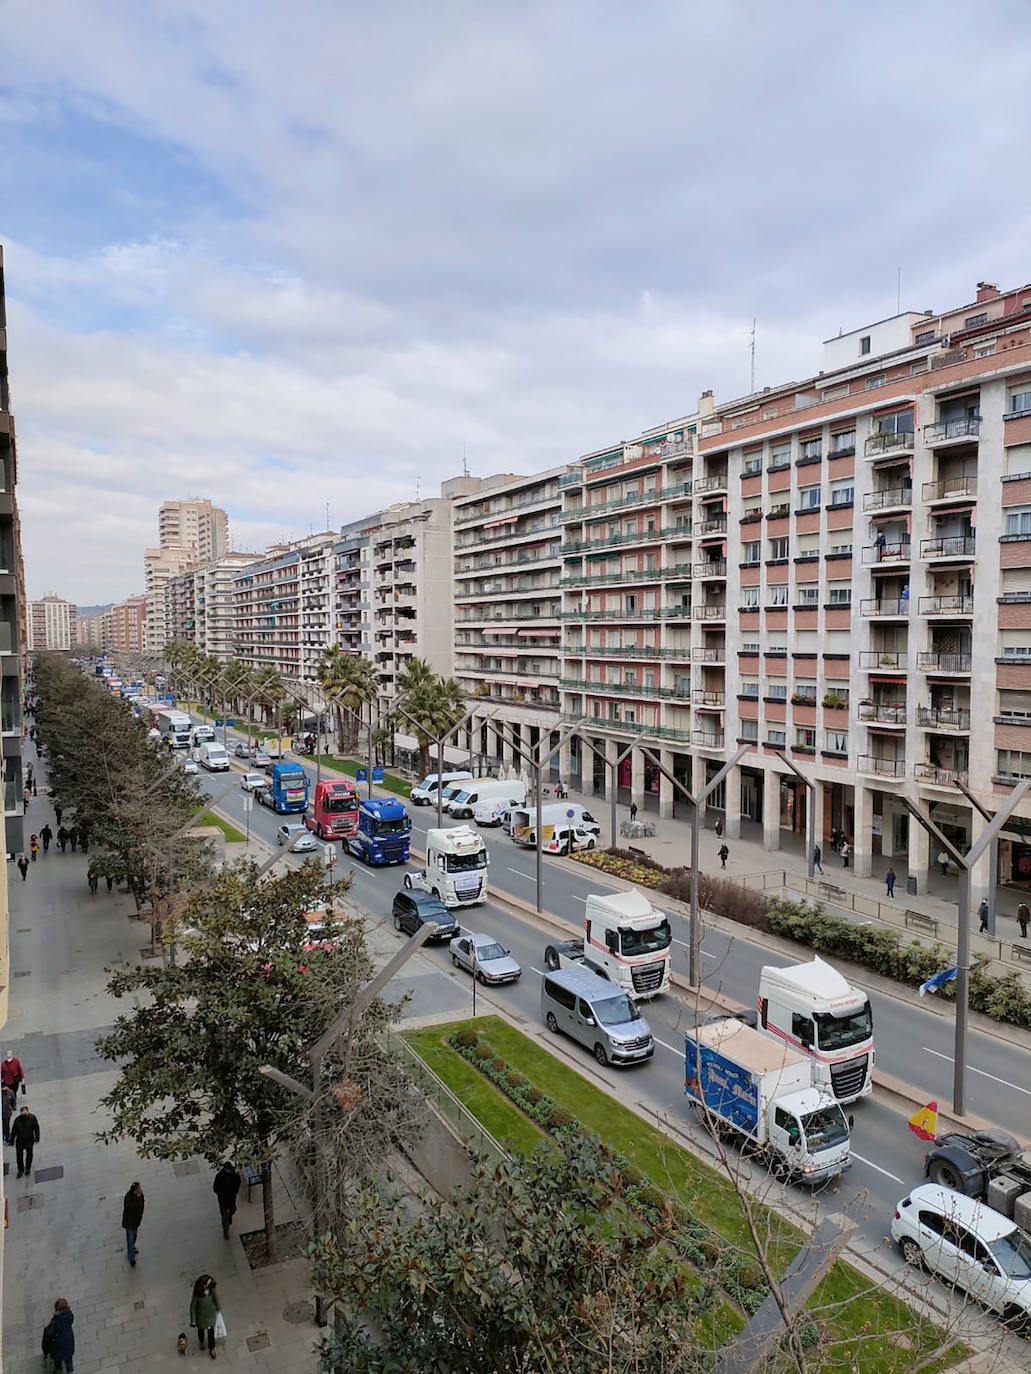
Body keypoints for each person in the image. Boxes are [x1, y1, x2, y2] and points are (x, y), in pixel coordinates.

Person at [190, 1274, 222, 1359]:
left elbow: (216, 1299)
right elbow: (192, 1307)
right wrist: (193, 1320)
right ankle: (202, 1341)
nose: (209, 1285)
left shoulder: (212, 1290)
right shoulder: (197, 1295)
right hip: (201, 1318)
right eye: (207, 1284)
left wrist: (218, 1308)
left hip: (210, 1316)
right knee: (200, 1331)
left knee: (211, 1333)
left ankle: (212, 1348)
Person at [43, 1298, 75, 1374]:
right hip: (69, 1342)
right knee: (69, 1357)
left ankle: (58, 1368)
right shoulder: (70, 1315)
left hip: (59, 1345)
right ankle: (70, 1370)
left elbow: (49, 1332)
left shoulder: (56, 1321)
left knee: (57, 1357)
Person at [213, 1162, 241, 1239]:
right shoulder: (219, 1176)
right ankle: (226, 1231)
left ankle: (229, 1217)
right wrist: (221, 1194)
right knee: (224, 1216)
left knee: (233, 1209)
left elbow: (238, 1181)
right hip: (223, 1200)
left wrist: (236, 1190)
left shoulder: (234, 1174)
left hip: (232, 1198)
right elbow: (215, 1188)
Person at [11, 1103, 40, 1177]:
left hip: (29, 1141)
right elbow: (13, 1131)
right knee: (19, 1156)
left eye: (25, 1111)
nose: (24, 1113)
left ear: (28, 1111)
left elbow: (36, 1128)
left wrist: (37, 1138)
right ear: (21, 1113)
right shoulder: (17, 1120)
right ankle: (20, 1170)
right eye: (22, 1111)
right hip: (20, 1142)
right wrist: (12, 1140)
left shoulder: (32, 1118)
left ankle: (28, 1168)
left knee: (29, 1155)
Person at [121, 1181, 145, 1267]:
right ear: (134, 1191)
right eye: (138, 1189)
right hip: (129, 1223)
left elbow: (142, 1206)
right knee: (130, 1239)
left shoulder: (140, 1195)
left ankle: (132, 1247)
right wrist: (137, 1199)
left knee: (134, 1237)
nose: (140, 1190)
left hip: (136, 1222)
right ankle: (131, 1258)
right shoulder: (128, 1198)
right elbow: (131, 1209)